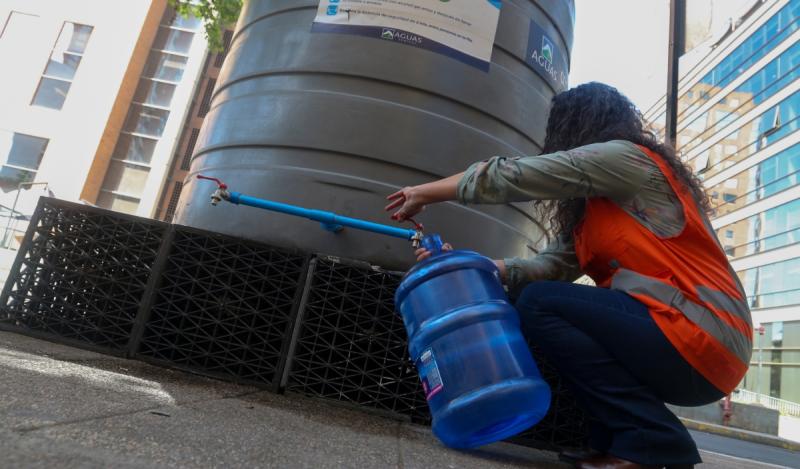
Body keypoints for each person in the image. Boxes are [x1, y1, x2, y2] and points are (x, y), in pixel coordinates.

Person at [384, 82, 752, 469]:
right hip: (679, 341)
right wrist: (469, 266)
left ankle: (655, 441)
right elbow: (548, 266)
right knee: (541, 297)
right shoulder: (592, 217)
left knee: (542, 302)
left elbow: (516, 176)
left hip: (704, 334)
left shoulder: (629, 161)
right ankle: (619, 440)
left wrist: (425, 193)